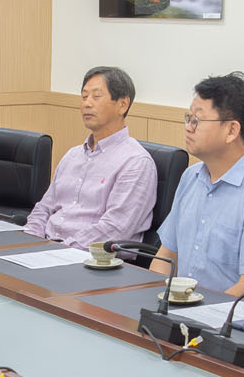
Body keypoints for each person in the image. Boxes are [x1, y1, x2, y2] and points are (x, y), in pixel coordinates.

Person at [152, 72, 244, 296]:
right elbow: (166, 256)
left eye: (197, 120)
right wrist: (153, 300)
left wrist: (198, 312)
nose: (188, 127)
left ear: (232, 130)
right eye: (188, 118)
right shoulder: (191, 177)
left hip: (242, 314)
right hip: (186, 309)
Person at [24, 66, 157, 248]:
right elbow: (44, 208)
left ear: (123, 105)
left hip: (90, 258)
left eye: (96, 96)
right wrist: (29, 240)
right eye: (84, 96)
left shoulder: (136, 162)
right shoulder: (72, 155)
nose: (87, 104)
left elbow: (115, 228)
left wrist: (60, 250)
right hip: (47, 249)